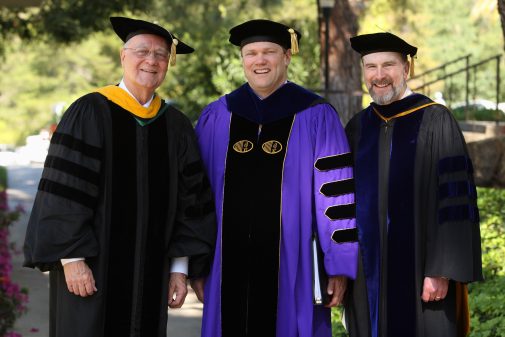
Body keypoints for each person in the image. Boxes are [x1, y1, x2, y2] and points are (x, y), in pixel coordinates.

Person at [23, 16, 216, 337]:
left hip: (151, 273)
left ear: (169, 63)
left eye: (160, 55)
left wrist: (179, 270)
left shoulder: (175, 125)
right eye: (142, 51)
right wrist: (71, 260)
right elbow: (63, 191)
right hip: (90, 269)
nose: (151, 61)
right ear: (123, 56)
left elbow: (190, 203)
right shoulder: (89, 111)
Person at [192, 19, 358, 337]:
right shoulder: (217, 116)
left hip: (293, 265)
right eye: (251, 53)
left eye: (269, 51)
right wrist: (198, 264)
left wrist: (337, 265)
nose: (260, 60)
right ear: (242, 60)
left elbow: (335, 197)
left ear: (286, 57)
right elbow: (198, 196)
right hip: (226, 268)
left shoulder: (316, 115)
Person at [344, 32, 483, 337]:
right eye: (371, 67)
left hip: (424, 273)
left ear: (406, 69)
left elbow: (455, 201)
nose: (379, 75)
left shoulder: (436, 120)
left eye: (388, 65)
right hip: (365, 274)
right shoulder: (357, 127)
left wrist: (441, 269)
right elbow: (341, 204)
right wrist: (341, 268)